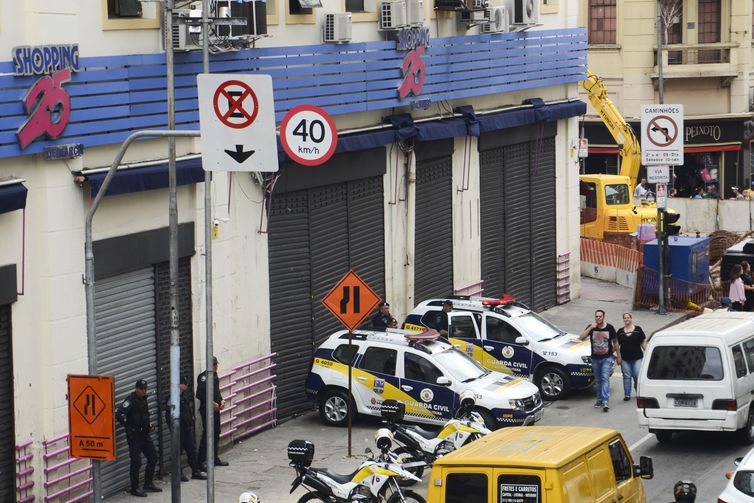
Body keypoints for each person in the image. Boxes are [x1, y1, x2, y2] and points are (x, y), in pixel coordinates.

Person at [116, 379, 161, 497]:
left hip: (144, 434)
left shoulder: (143, 399)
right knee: (136, 462)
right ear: (136, 389)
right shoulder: (130, 400)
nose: (144, 391)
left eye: (145, 389)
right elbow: (119, 414)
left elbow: (143, 416)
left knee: (153, 457)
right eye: (142, 389)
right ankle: (134, 488)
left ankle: (148, 483)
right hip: (135, 436)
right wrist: (128, 427)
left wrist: (148, 426)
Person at [164, 376, 207, 482]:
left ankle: (195, 471)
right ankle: (178, 473)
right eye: (184, 384)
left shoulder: (183, 396)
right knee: (177, 452)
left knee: (191, 450)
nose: (186, 386)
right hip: (179, 430)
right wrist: (173, 428)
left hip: (187, 428)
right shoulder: (172, 398)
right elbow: (168, 415)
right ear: (179, 385)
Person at [579, 310, 619, 412]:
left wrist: (619, 356)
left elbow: (615, 342)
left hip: (607, 358)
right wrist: (590, 328)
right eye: (596, 316)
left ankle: (605, 401)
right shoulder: (592, 327)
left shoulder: (610, 328)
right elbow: (581, 338)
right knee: (598, 380)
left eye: (600, 316)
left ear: (604, 317)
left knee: (605, 378)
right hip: (595, 358)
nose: (598, 318)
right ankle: (599, 399)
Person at [197, 356, 229, 469]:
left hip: (215, 410)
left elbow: (216, 391)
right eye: (215, 365)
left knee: (216, 433)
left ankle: (214, 458)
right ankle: (200, 462)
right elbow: (199, 394)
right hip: (207, 410)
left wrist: (221, 400)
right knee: (207, 434)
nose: (216, 367)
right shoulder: (203, 378)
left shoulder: (215, 376)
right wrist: (211, 403)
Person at [616, 313, 647, 401]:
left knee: (637, 375)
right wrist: (616, 356)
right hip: (625, 359)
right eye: (625, 318)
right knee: (626, 376)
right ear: (623, 320)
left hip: (637, 358)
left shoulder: (638, 329)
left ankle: (637, 389)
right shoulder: (620, 332)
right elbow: (616, 344)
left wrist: (648, 353)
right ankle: (627, 394)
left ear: (631, 318)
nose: (626, 319)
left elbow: (643, 342)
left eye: (628, 317)